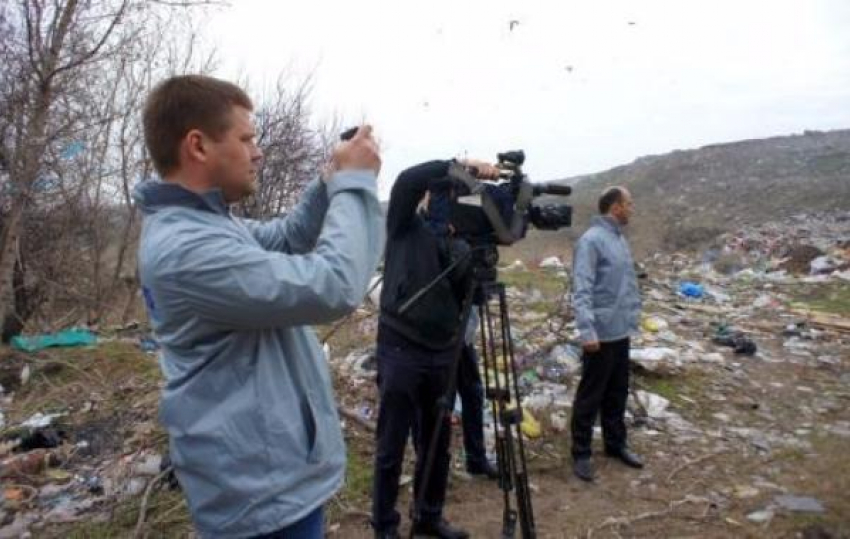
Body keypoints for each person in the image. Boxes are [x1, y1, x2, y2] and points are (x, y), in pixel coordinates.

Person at [136, 74, 384, 538]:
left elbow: (286, 239)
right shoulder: (186, 248)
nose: (258, 151)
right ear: (198, 146)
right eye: (246, 138)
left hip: (270, 481)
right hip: (258, 497)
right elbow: (332, 285)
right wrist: (354, 184)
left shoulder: (206, 226)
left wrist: (329, 180)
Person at [371, 158, 499, 539]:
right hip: (400, 348)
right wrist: (458, 166)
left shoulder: (460, 245)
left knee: (437, 441)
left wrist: (479, 262)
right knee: (391, 444)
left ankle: (428, 515)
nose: (446, 200)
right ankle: (384, 526)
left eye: (453, 194)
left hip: (443, 352)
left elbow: (471, 300)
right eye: (441, 192)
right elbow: (408, 179)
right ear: (427, 196)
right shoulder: (403, 225)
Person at [570, 186, 643, 482]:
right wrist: (587, 331)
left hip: (620, 330)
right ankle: (581, 452)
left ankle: (615, 444)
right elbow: (582, 288)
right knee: (591, 395)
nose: (631, 209)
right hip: (598, 334)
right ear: (615, 207)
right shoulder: (591, 241)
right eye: (629, 203)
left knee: (617, 392)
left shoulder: (619, 240)